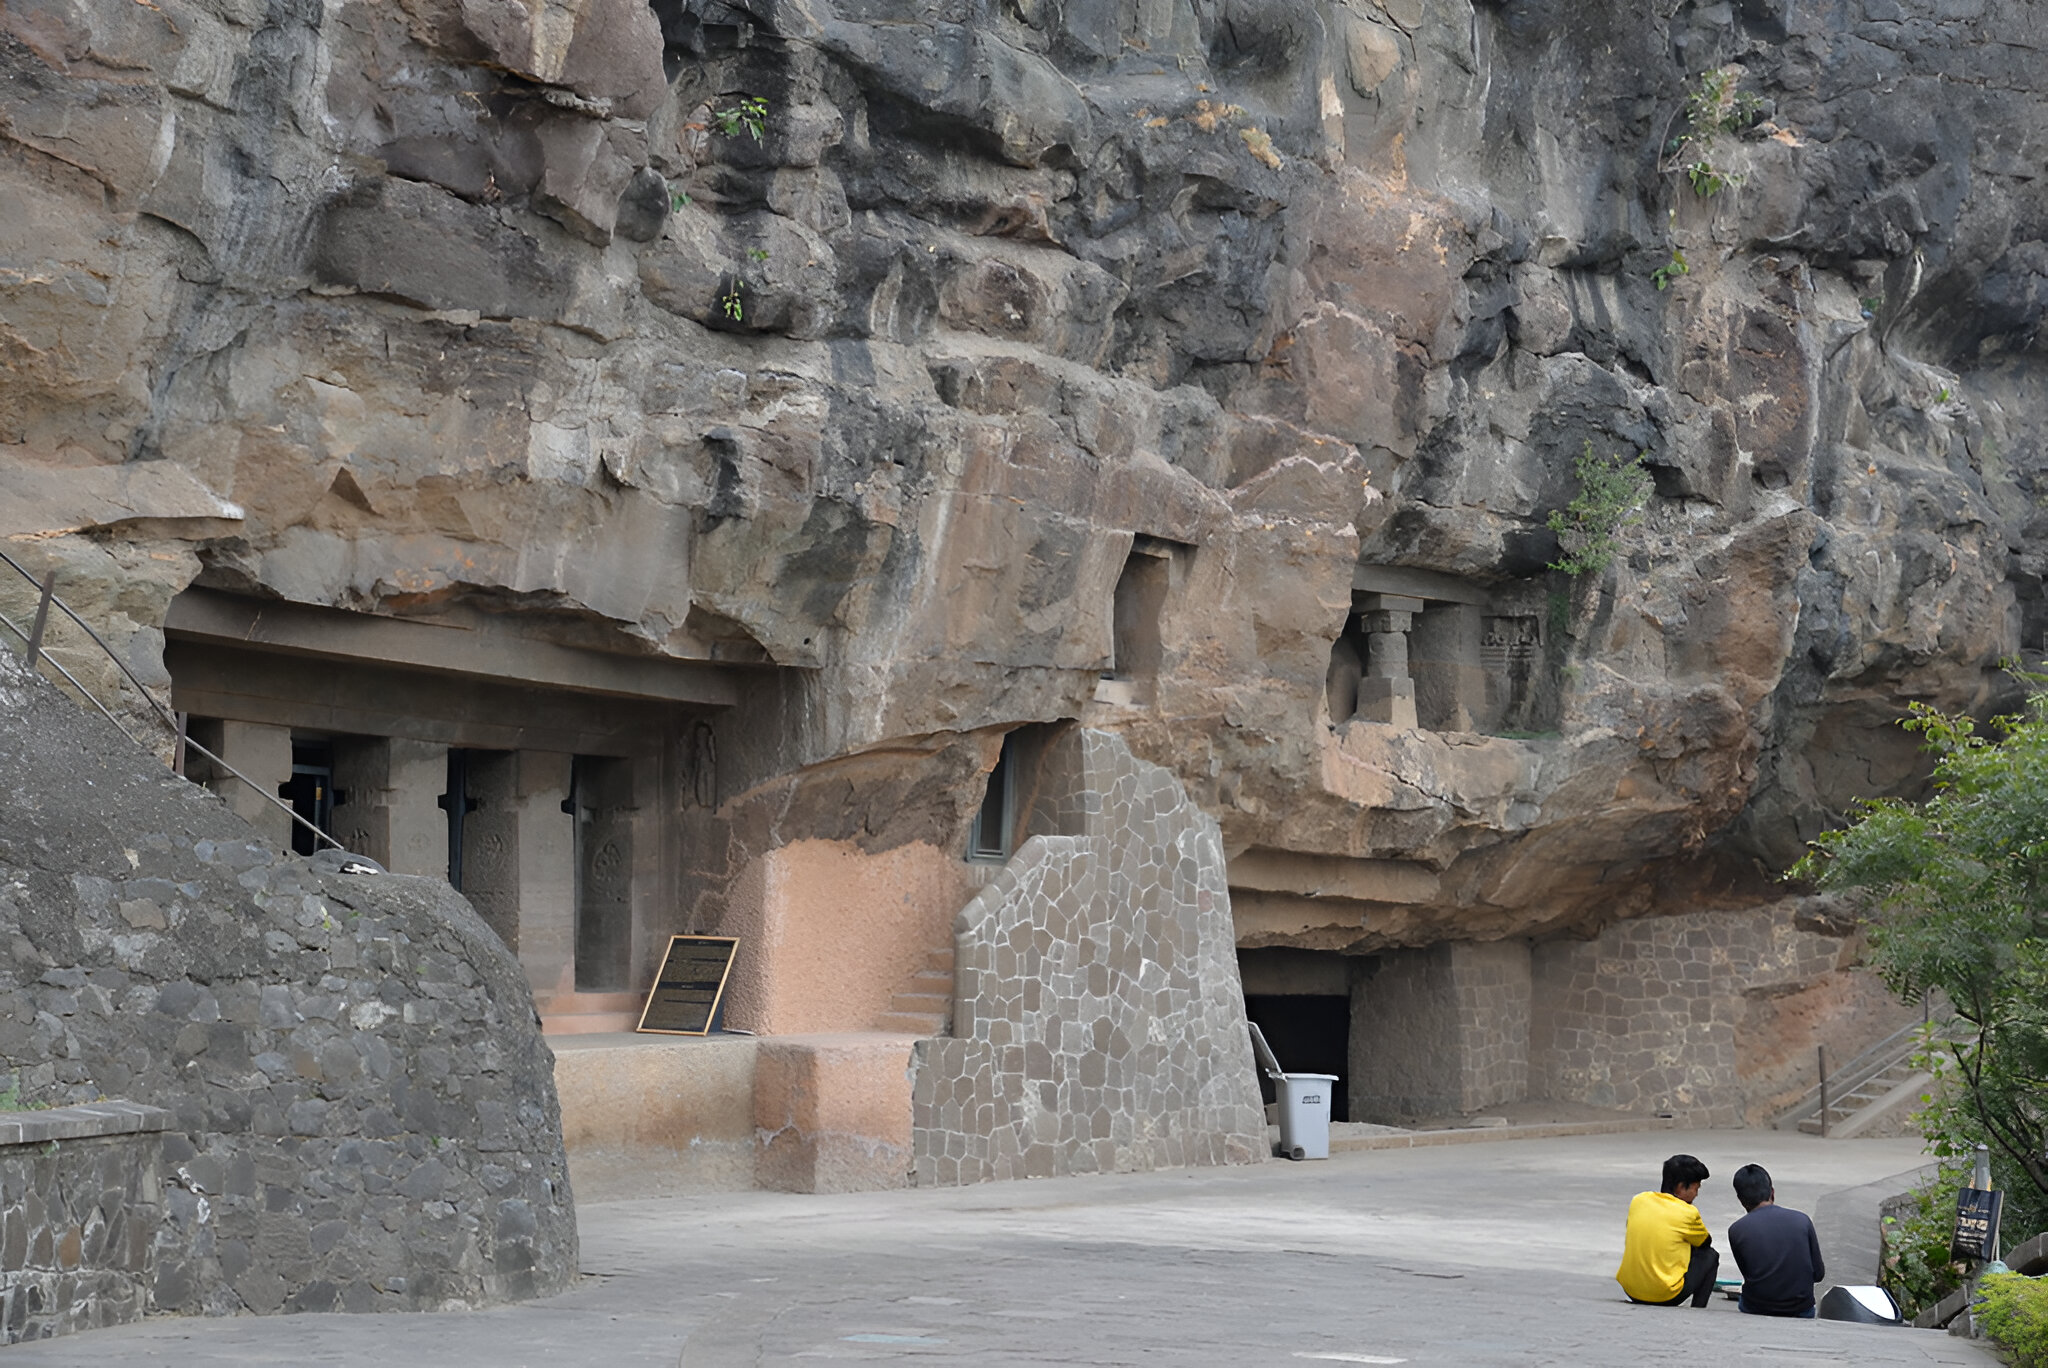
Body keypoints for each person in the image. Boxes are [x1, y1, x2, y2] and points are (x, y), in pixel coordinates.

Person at [1616, 1154, 1720, 1307]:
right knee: (1710, 1256)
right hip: (1666, 1295)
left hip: (1631, 1290)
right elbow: (1705, 1242)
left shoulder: (1639, 1200)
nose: (1696, 1194)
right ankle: (1699, 1308)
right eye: (1695, 1188)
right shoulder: (1688, 1212)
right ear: (1680, 1187)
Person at [1727, 1163, 1825, 1317]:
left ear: (1741, 1199)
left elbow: (1750, 1274)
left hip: (1757, 1307)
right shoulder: (1802, 1220)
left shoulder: (1737, 1230)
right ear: (1772, 1192)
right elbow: (1818, 1273)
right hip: (1801, 1308)